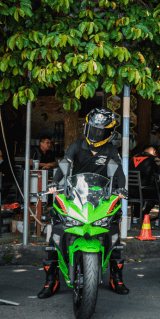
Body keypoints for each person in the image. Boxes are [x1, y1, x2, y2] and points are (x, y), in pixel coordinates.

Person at [40, 108, 129, 298]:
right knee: (56, 233)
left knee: (113, 234)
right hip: (76, 194)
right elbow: (66, 163)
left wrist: (121, 189)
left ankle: (117, 278)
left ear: (109, 133)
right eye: (93, 129)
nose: (95, 134)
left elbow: (119, 172)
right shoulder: (77, 145)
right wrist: (55, 183)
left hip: (103, 197)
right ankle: (51, 280)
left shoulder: (111, 150)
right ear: (86, 127)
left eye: (100, 131)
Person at [130, 144, 158, 220]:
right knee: (158, 195)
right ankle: (144, 214)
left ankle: (136, 215)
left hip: (130, 190)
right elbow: (158, 173)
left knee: (138, 189)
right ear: (154, 151)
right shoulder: (152, 159)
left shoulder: (133, 158)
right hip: (144, 191)